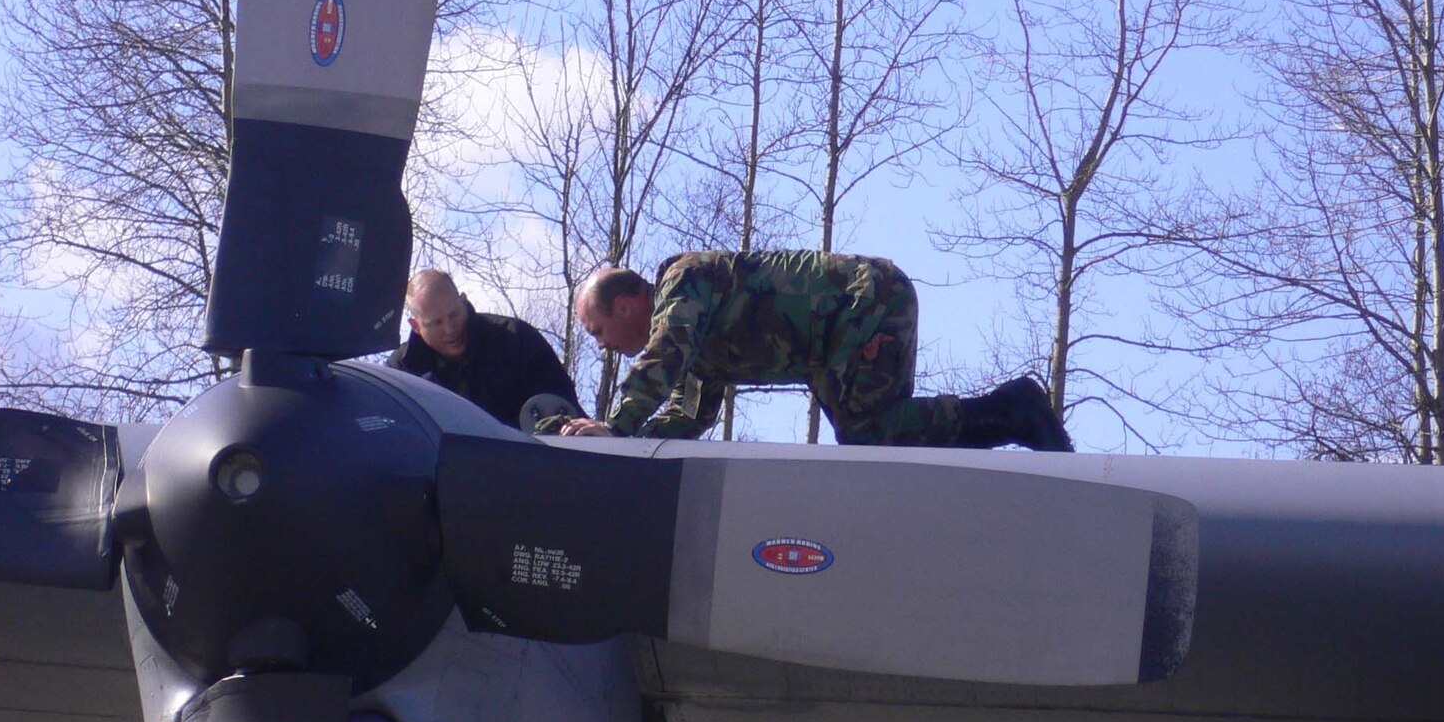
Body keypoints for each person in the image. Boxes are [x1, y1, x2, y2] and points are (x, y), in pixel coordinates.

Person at [554, 250, 1072, 451]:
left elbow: (665, 352)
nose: (603, 347)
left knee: (870, 432)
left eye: (597, 332)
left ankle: (1016, 410)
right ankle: (1013, 416)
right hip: (832, 346)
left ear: (625, 306)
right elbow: (690, 417)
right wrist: (628, 447)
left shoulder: (682, 284)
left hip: (865, 301)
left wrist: (615, 428)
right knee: (873, 437)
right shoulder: (693, 344)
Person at [388, 269, 580, 431]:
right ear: (416, 326)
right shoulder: (402, 372)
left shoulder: (516, 340)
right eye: (436, 323)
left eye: (454, 314)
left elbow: (566, 413)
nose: (450, 329)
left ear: (464, 301)